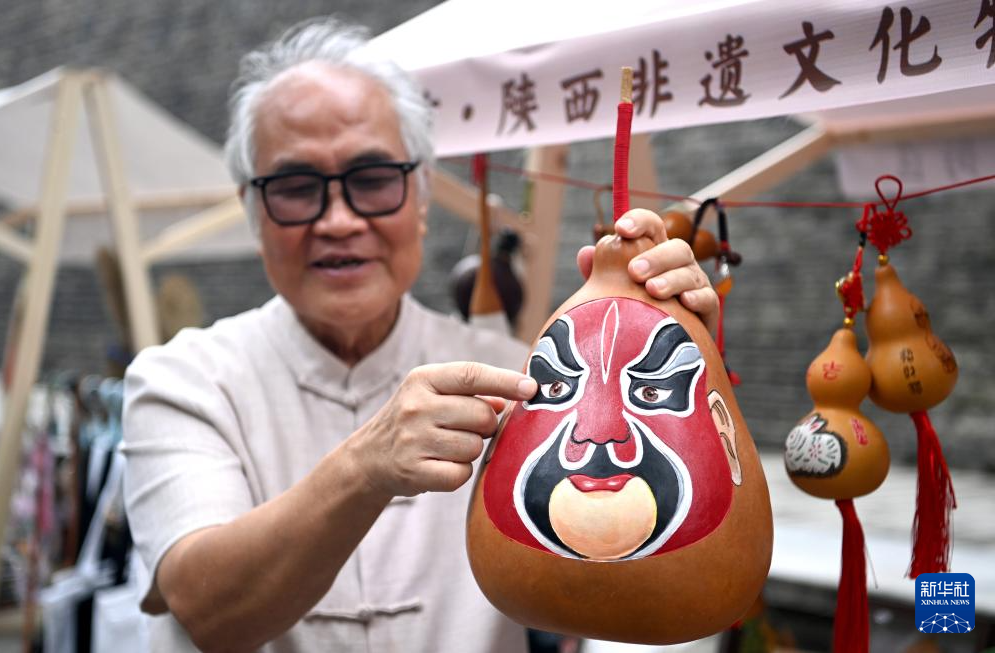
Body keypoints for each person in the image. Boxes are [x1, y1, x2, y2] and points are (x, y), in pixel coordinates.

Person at [121, 17, 719, 653]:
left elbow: (621, 583)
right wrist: (365, 468)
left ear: (422, 196)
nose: (339, 220)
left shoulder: (519, 374)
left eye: (374, 179)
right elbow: (208, 612)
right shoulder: (182, 381)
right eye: (295, 188)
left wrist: (684, 379)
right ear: (252, 209)